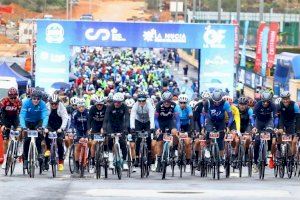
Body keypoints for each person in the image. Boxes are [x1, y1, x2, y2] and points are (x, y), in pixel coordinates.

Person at [201, 89, 233, 171]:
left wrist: (228, 126)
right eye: (215, 101)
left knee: (220, 140)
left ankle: (221, 161)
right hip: (210, 121)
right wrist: (203, 126)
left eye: (218, 101)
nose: (217, 103)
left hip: (220, 122)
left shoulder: (225, 103)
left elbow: (231, 116)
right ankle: (208, 148)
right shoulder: (207, 102)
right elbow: (203, 115)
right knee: (208, 132)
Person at [19, 89, 49, 170]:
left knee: (39, 138)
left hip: (38, 122)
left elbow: (45, 116)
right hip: (28, 122)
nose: (36, 100)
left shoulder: (42, 104)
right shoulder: (26, 103)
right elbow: (22, 115)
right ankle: (25, 159)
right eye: (34, 98)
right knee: (27, 140)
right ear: (31, 98)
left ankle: (39, 154)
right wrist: (23, 126)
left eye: (38, 99)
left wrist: (43, 126)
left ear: (40, 99)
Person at [102, 92, 130, 170]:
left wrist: (126, 128)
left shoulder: (124, 107)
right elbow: (106, 119)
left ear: (121, 102)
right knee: (110, 140)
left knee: (123, 142)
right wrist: (104, 129)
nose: (117, 104)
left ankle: (124, 161)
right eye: (115, 102)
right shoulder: (110, 107)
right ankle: (110, 160)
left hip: (121, 125)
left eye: (119, 102)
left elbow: (127, 118)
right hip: (111, 125)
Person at [154, 91, 180, 171]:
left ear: (171, 100)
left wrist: (177, 129)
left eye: (168, 101)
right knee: (160, 141)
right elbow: (155, 119)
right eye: (165, 101)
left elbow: (178, 119)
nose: (166, 103)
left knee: (175, 133)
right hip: (160, 122)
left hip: (170, 121)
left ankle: (173, 149)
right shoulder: (159, 105)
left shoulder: (174, 105)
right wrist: (158, 128)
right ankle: (158, 160)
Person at [253, 90, 277, 170]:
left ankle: (269, 150)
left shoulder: (273, 105)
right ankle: (255, 162)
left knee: (270, 133)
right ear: (261, 100)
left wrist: (275, 127)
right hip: (259, 122)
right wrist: (254, 127)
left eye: (267, 102)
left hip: (268, 121)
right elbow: (253, 117)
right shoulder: (258, 105)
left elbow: (275, 117)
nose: (266, 103)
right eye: (264, 102)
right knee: (257, 141)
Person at [130, 91, 155, 166]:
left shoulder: (149, 105)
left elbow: (151, 117)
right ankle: (137, 158)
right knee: (137, 139)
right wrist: (132, 127)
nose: (141, 102)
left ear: (146, 100)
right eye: (139, 101)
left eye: (143, 100)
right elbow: (132, 116)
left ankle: (149, 156)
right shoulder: (135, 105)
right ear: (137, 100)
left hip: (147, 122)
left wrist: (152, 127)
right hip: (138, 122)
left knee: (148, 138)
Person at [45, 93, 68, 171]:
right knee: (47, 134)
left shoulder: (62, 107)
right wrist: (45, 127)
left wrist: (62, 128)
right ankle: (48, 149)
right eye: (52, 104)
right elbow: (44, 117)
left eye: (55, 104)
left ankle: (61, 162)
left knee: (59, 142)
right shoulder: (47, 106)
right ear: (50, 103)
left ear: (58, 103)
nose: (54, 105)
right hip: (50, 124)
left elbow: (65, 118)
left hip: (59, 125)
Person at [0, 87, 22, 167]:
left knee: (20, 131)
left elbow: (20, 115)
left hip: (15, 119)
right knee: (5, 141)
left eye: (14, 97)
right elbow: (1, 114)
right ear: (8, 96)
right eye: (11, 97)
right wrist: (2, 125)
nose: (13, 99)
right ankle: (5, 160)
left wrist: (20, 125)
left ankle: (19, 146)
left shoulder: (19, 102)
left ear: (17, 96)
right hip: (5, 119)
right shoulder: (4, 101)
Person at [275, 91, 300, 159]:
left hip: (291, 122)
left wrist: (297, 131)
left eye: (287, 99)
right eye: (284, 99)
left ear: (289, 98)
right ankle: (279, 150)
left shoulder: (295, 105)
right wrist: (278, 127)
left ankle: (291, 156)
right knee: (279, 133)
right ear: (282, 99)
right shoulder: (279, 105)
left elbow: (298, 119)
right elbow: (277, 117)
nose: (285, 101)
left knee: (291, 139)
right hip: (282, 121)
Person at [88, 96, 106, 172]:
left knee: (106, 140)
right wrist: (89, 129)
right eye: (97, 105)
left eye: (101, 105)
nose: (99, 106)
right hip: (95, 125)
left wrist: (104, 128)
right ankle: (92, 162)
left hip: (103, 125)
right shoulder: (92, 109)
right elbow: (89, 119)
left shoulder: (106, 108)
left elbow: (107, 119)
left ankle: (105, 154)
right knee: (93, 143)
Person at [71, 98, 89, 173]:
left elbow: (90, 122)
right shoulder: (75, 113)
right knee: (77, 146)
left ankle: (89, 160)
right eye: (79, 107)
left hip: (86, 130)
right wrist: (73, 131)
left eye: (83, 107)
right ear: (77, 107)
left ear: (84, 107)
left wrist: (90, 131)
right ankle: (77, 164)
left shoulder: (88, 112)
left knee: (89, 144)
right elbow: (72, 124)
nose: (81, 108)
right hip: (78, 130)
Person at [177, 93, 192, 164]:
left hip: (186, 125)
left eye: (184, 103)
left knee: (187, 142)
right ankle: (177, 154)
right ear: (179, 103)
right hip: (178, 124)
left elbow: (191, 115)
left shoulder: (189, 107)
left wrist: (190, 115)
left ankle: (188, 159)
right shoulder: (176, 108)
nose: (183, 104)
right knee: (177, 139)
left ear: (187, 103)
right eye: (181, 103)